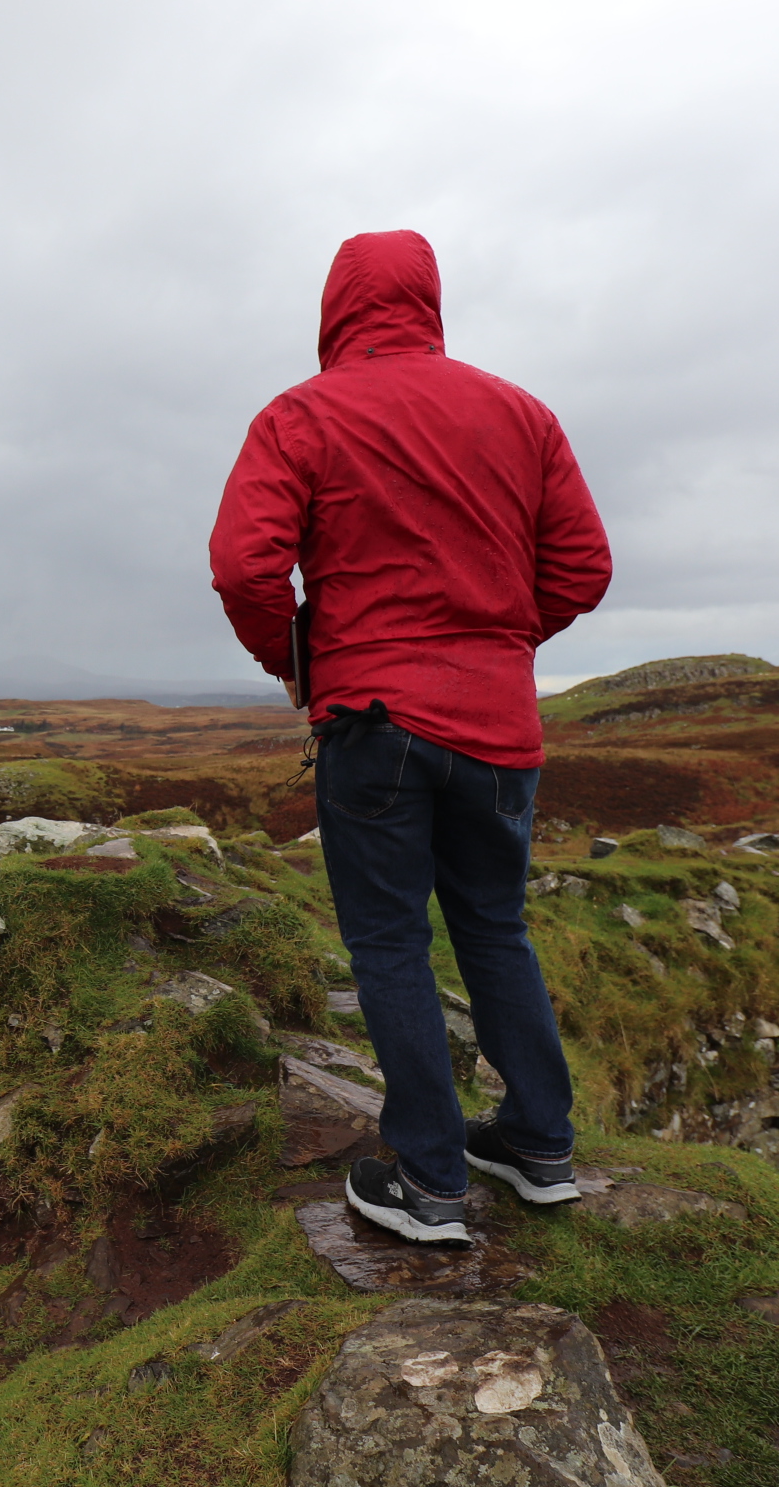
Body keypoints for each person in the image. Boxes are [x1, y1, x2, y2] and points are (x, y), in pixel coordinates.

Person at [208, 229, 611, 1244]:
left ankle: (431, 1182)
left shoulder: (300, 416)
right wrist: (499, 641)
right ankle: (538, 1144)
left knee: (389, 940)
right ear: (430, 300)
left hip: (371, 723)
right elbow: (585, 566)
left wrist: (295, 661)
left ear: (334, 307)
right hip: (500, 729)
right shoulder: (524, 415)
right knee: (494, 925)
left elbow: (244, 568)